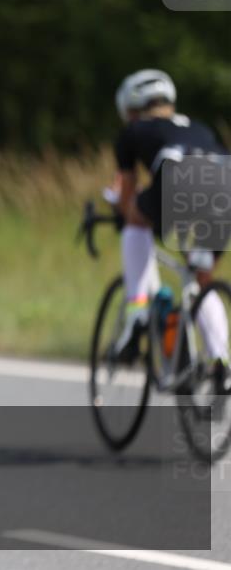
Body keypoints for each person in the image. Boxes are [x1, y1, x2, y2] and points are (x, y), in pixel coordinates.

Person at [112, 69, 229, 393]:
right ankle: (221, 361)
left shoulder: (134, 130)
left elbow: (126, 192)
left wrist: (122, 214)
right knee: (200, 279)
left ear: (130, 109)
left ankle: (137, 313)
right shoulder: (198, 126)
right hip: (224, 184)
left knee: (136, 219)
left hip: (177, 176)